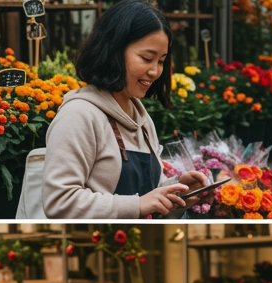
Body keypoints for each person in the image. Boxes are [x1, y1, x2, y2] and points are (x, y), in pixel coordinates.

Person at [42, 0, 208, 219]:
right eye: (146, 58)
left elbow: (146, 195)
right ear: (114, 51)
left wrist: (177, 191)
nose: (155, 71)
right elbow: (58, 201)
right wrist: (137, 205)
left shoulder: (141, 118)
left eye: (161, 61)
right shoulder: (79, 116)